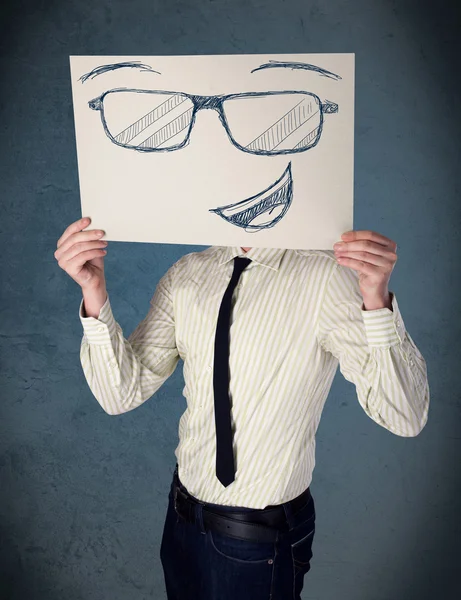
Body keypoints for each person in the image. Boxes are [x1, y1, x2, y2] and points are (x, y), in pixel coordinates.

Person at [54, 216, 429, 600]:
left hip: (258, 539)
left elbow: (405, 416)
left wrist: (376, 301)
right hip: (182, 521)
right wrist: (93, 291)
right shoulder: (187, 275)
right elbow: (121, 394)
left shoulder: (327, 278)